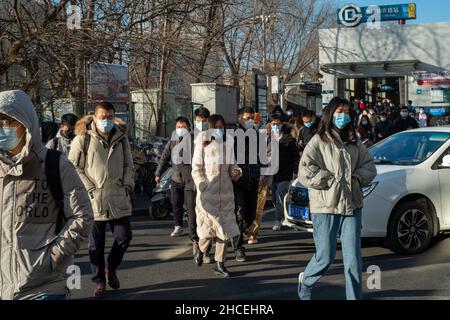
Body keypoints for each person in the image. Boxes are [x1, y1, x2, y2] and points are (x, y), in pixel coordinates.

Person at [0, 90, 93, 300]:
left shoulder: (55, 165)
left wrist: (55, 256)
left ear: (26, 123)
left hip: (44, 287)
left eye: (9, 123)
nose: (3, 130)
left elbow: (82, 215)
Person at [297, 97, 377, 300]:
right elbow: (305, 171)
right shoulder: (318, 140)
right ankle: (306, 280)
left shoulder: (354, 141)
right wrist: (329, 179)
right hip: (325, 205)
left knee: (353, 260)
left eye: (347, 112)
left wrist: (357, 178)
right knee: (325, 256)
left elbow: (369, 166)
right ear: (330, 113)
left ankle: (354, 297)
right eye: (339, 111)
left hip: (351, 205)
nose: (343, 115)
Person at [68, 101, 134, 298]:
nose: (106, 120)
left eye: (110, 117)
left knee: (124, 237)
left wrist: (127, 185)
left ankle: (110, 267)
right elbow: (73, 167)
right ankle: (99, 281)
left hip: (118, 196)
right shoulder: (83, 139)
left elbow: (128, 166)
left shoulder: (122, 138)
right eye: (102, 117)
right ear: (94, 117)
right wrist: (89, 188)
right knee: (95, 245)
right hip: (93, 199)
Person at [191, 114, 242, 277]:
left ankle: (220, 264)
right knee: (207, 231)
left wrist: (236, 172)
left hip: (226, 193)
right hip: (207, 194)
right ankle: (201, 248)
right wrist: (202, 185)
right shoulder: (202, 142)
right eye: (216, 127)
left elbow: (233, 165)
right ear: (209, 127)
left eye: (222, 127)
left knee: (224, 230)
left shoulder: (229, 143)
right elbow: (196, 168)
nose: (219, 130)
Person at [155, 117, 194, 237]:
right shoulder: (172, 141)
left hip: (190, 180)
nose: (180, 129)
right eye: (178, 127)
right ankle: (178, 226)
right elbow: (164, 157)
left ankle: (194, 229)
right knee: (176, 203)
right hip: (176, 178)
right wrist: (158, 173)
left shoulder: (194, 141)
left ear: (189, 127)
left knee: (191, 206)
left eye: (183, 127)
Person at [233, 107, 261, 262]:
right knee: (240, 212)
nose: (250, 120)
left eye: (252, 117)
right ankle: (238, 247)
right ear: (239, 118)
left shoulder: (256, 135)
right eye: (246, 118)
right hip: (238, 181)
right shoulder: (233, 136)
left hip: (254, 179)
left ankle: (234, 232)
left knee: (250, 216)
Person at [270, 115, 299, 231]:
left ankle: (278, 219)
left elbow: (295, 157)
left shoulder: (289, 139)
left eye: (278, 124)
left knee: (279, 195)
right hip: (271, 173)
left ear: (282, 124)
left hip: (285, 172)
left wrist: (296, 172)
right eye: (273, 124)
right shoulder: (267, 138)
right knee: (273, 197)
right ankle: (285, 215)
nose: (276, 126)